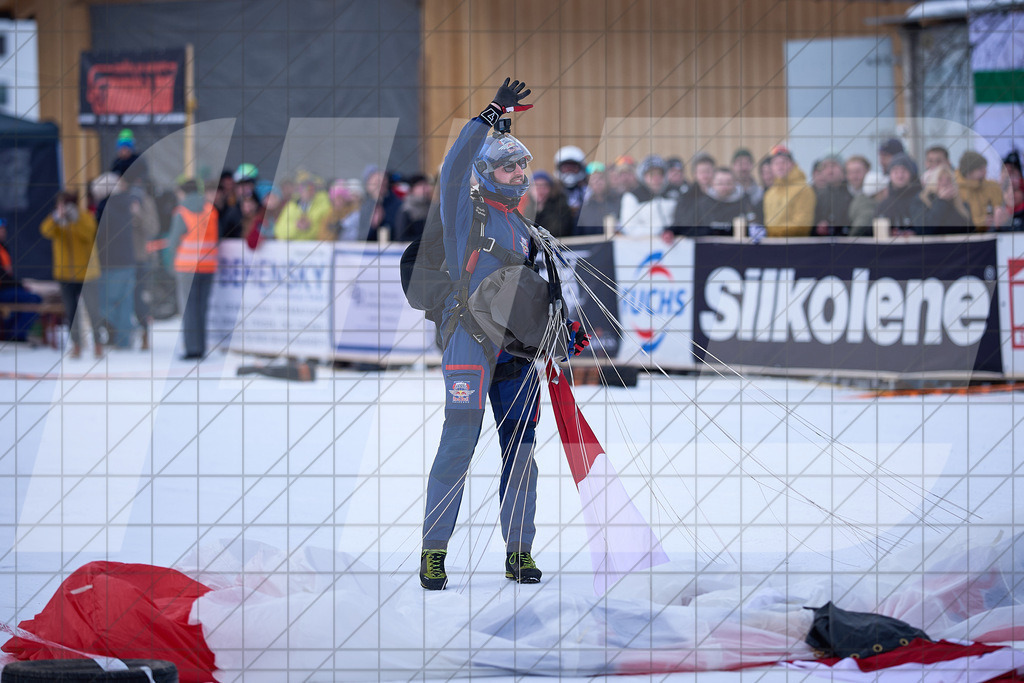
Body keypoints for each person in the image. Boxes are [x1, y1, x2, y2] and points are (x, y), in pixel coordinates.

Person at [419, 77, 588, 590]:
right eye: (506, 166)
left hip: (515, 353)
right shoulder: (464, 211)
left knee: (521, 451)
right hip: (470, 344)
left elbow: (536, 293)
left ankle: (519, 551)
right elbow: (453, 168)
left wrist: (564, 331)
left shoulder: (526, 227)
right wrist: (489, 116)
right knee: (458, 444)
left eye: (520, 166)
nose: (517, 173)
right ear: (486, 173)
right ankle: (434, 551)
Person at [39, 191, 104, 358]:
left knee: (93, 309)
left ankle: (98, 343)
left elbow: (89, 234)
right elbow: (45, 231)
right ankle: (76, 344)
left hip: (87, 274)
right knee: (71, 311)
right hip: (65, 274)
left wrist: (76, 221)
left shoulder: (84, 217)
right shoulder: (57, 222)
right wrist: (56, 218)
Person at [168, 178, 219, 360]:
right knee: (202, 308)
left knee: (189, 309)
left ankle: (192, 348)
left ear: (183, 192)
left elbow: (173, 241)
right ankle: (201, 347)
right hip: (208, 266)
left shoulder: (181, 212)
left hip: (187, 268)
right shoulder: (211, 209)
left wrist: (170, 265)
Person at [94, 174, 138, 349]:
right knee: (125, 302)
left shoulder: (106, 208)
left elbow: (99, 235)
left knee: (103, 303)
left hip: (109, 261)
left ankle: (127, 331)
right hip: (128, 259)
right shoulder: (128, 203)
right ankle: (124, 339)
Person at [0, 218, 42, 343]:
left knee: (32, 299)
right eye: (0, 229)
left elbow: (6, 275)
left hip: (6, 289)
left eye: (3, 229)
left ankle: (12, 333)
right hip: (3, 291)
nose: (3, 232)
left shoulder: (3, 248)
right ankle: (16, 335)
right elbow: (3, 276)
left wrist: (19, 285)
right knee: (33, 300)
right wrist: (20, 285)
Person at [618, 155, 678, 237]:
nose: (656, 178)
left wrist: (673, 231)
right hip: (643, 242)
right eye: (651, 174)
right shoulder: (632, 197)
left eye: (659, 174)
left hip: (675, 241)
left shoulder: (674, 193)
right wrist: (659, 232)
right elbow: (629, 228)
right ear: (643, 176)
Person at [762, 145, 816, 237]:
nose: (780, 166)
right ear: (771, 167)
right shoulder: (769, 193)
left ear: (792, 164)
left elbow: (802, 224)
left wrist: (773, 232)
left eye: (784, 162)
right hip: (772, 243)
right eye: (776, 163)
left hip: (795, 243)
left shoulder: (803, 190)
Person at [875, 154, 926, 235]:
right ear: (890, 174)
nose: (900, 176)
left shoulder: (922, 200)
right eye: (895, 171)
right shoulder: (884, 205)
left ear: (911, 174)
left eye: (904, 171)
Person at [957, 151, 1008, 231]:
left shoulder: (992, 186)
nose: (985, 171)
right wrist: (980, 223)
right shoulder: (955, 190)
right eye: (980, 169)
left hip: (992, 231)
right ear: (969, 171)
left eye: (985, 168)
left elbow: (1000, 208)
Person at [275, 171, 332, 241]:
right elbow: (279, 231)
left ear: (315, 189)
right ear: (299, 189)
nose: (307, 190)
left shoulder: (325, 206)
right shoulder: (291, 206)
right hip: (295, 246)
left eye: (310, 187)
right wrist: (296, 227)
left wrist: (309, 227)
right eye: (303, 187)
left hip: (315, 245)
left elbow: (328, 231)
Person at [917, 164, 972, 235]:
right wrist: (941, 201)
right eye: (940, 179)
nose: (944, 183)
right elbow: (925, 230)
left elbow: (969, 230)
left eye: (948, 180)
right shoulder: (922, 202)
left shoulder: (962, 205)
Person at [812, 155, 852, 236]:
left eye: (833, 165)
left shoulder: (853, 194)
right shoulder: (817, 197)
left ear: (843, 170)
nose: (829, 170)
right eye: (825, 167)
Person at [527, 170, 575, 237]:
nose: (540, 190)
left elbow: (555, 233)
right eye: (536, 185)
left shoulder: (561, 208)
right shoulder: (527, 208)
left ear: (551, 189)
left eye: (544, 186)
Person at [575, 166, 620, 235]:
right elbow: (577, 232)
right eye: (594, 179)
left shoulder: (618, 201)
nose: (598, 182)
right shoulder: (585, 208)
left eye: (600, 178)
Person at [393, 174, 433, 242]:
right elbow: (401, 237)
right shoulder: (406, 210)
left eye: (426, 185)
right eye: (421, 185)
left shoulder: (431, 207)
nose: (426, 189)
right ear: (412, 189)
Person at [554, 145, 587, 216]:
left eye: (573, 168)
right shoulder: (553, 193)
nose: (569, 172)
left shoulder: (588, 192)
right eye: (565, 168)